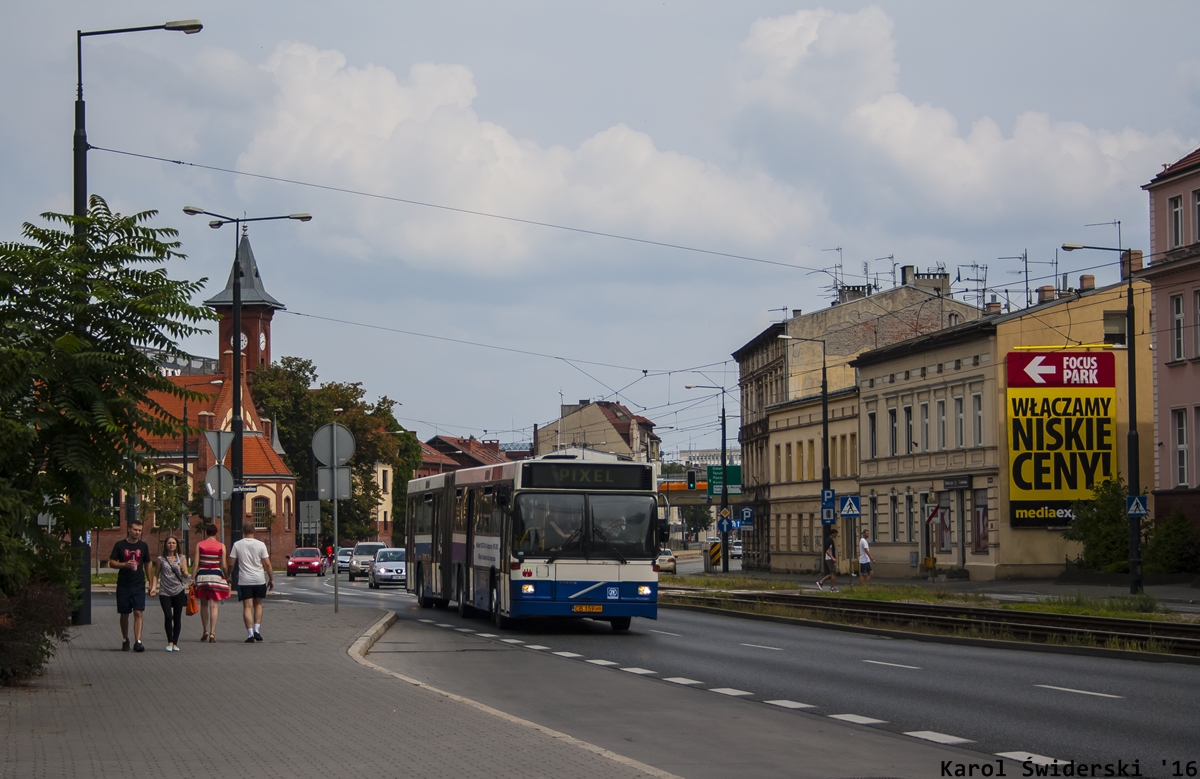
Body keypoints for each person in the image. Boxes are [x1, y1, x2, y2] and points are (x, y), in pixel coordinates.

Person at [228, 520, 274, 643]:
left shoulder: (237, 545)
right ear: (254, 531)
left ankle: (250, 634)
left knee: (247, 607)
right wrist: (271, 578)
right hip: (259, 579)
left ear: (242, 531)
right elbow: (267, 564)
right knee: (258, 605)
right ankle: (257, 630)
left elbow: (231, 563)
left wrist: (229, 575)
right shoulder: (261, 545)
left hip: (245, 581)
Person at [109, 519, 151, 652]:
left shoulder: (143, 546)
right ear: (129, 529)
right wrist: (124, 565)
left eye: (139, 530)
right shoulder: (120, 545)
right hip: (124, 584)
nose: (137, 532)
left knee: (138, 612)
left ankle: (138, 641)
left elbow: (147, 563)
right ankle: (125, 638)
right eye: (135, 530)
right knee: (124, 613)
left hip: (138, 583)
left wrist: (151, 582)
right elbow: (112, 562)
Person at [150, 535, 190, 652]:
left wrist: (183, 570)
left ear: (177, 545)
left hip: (179, 590)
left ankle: (175, 642)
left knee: (177, 617)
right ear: (165, 545)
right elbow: (156, 574)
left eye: (173, 543)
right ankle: (170, 641)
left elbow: (186, 575)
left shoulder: (182, 558)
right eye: (169, 543)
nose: (171, 545)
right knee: (168, 616)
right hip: (164, 591)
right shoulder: (161, 559)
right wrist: (153, 587)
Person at [191, 524, 230, 642]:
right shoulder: (221, 546)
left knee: (203, 604)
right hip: (215, 575)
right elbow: (223, 565)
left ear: (206, 533)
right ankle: (213, 632)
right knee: (214, 606)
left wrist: (193, 578)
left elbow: (196, 563)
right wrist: (227, 577)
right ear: (216, 533)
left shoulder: (200, 544)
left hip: (202, 574)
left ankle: (205, 630)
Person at [816, 528, 839, 592]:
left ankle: (821, 582)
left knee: (832, 573)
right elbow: (827, 551)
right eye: (835, 534)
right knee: (833, 573)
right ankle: (831, 588)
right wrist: (833, 558)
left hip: (829, 559)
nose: (836, 535)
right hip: (829, 559)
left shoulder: (829, 540)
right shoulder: (829, 540)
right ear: (832, 533)